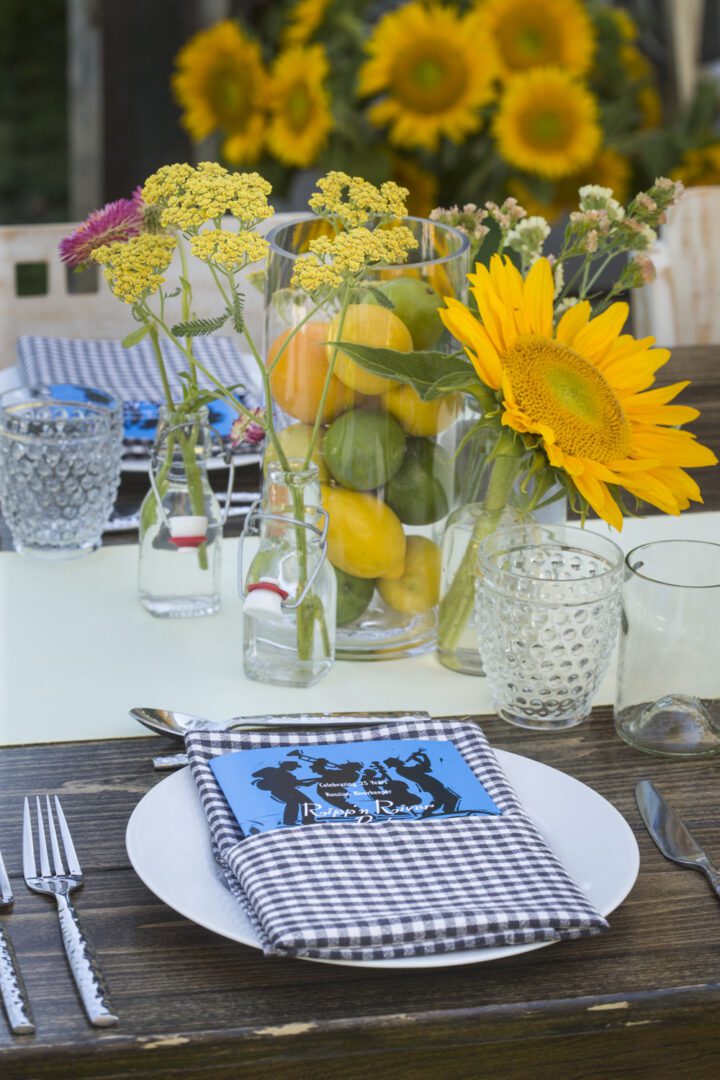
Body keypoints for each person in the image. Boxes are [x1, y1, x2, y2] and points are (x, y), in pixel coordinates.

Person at [385, 749, 461, 817]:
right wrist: (422, 756)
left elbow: (426, 768)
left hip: (431, 784)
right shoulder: (401, 770)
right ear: (395, 763)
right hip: (430, 785)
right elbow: (425, 766)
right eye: (396, 760)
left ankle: (443, 811)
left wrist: (417, 758)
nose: (399, 760)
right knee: (447, 799)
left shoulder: (402, 769)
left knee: (442, 800)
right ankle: (438, 812)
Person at [251, 760, 317, 826]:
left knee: (307, 802)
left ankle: (308, 820)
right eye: (294, 767)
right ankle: (289, 822)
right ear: (288, 766)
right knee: (292, 802)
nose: (294, 768)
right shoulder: (269, 770)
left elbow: (303, 784)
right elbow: (254, 775)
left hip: (290, 790)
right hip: (278, 791)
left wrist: (314, 781)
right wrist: (263, 783)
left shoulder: (289, 775)